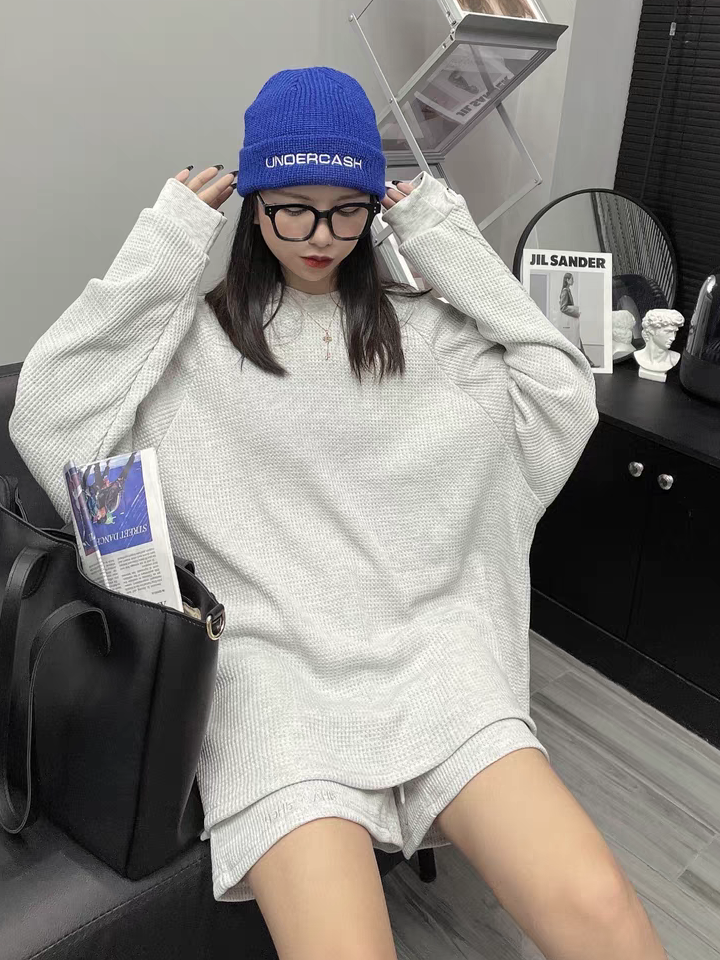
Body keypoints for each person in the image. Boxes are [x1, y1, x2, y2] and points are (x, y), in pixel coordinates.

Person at [9, 66, 668, 960]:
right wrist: (165, 246)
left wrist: (443, 238)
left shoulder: (430, 337)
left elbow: (561, 390)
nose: (321, 235)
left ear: (372, 208)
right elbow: (50, 415)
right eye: (293, 209)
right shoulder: (188, 350)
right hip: (271, 682)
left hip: (435, 657)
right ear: (253, 207)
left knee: (601, 908)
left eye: (346, 210)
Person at [559, 272, 598, 367]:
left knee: (578, 344)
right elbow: (563, 308)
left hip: (570, 324)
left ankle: (587, 363)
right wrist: (576, 313)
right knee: (577, 345)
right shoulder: (565, 291)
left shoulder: (567, 291)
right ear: (567, 280)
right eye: (572, 279)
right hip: (569, 325)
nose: (573, 281)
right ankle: (588, 363)